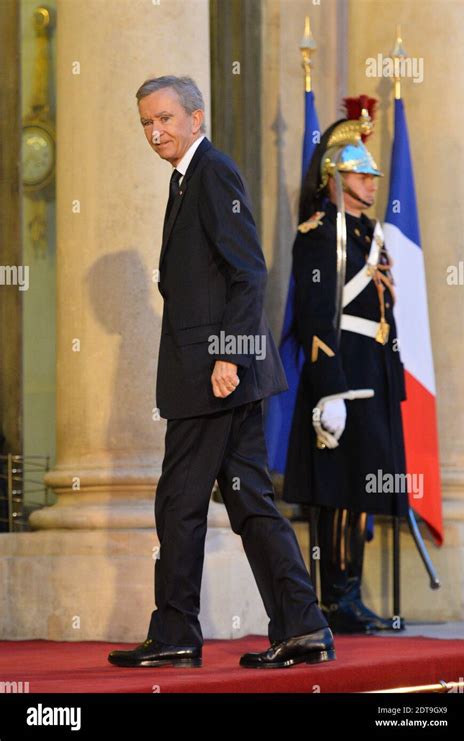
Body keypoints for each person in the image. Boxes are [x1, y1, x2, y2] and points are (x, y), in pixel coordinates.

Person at [108, 76, 335, 669]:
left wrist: (229, 357)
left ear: (195, 117)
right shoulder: (188, 177)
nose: (155, 132)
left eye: (164, 119)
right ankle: (303, 626)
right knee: (251, 502)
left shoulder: (212, 172)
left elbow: (248, 270)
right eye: (145, 123)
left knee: (179, 501)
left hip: (214, 375)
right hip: (213, 374)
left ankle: (177, 632)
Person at [283, 97, 408, 634]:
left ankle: (350, 593)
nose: (374, 182)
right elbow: (314, 316)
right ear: (335, 174)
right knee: (338, 492)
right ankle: (335, 599)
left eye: (375, 173)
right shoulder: (318, 234)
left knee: (366, 490)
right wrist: (328, 389)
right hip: (341, 375)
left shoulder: (368, 234)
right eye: (362, 172)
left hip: (374, 371)